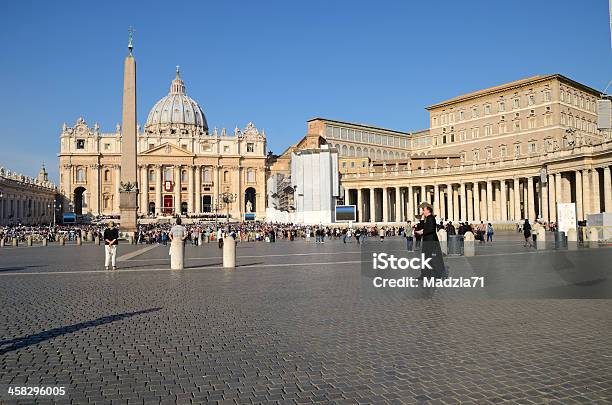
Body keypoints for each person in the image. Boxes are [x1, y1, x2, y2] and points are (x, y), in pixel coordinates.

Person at [414, 203, 445, 279]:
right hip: (428, 241)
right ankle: (425, 274)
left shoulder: (431, 218)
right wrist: (421, 221)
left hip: (430, 241)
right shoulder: (428, 218)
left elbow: (430, 229)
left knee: (430, 258)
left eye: (423, 210)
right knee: (426, 258)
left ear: (428, 210)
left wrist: (422, 232)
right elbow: (425, 227)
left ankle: (432, 274)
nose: (422, 212)